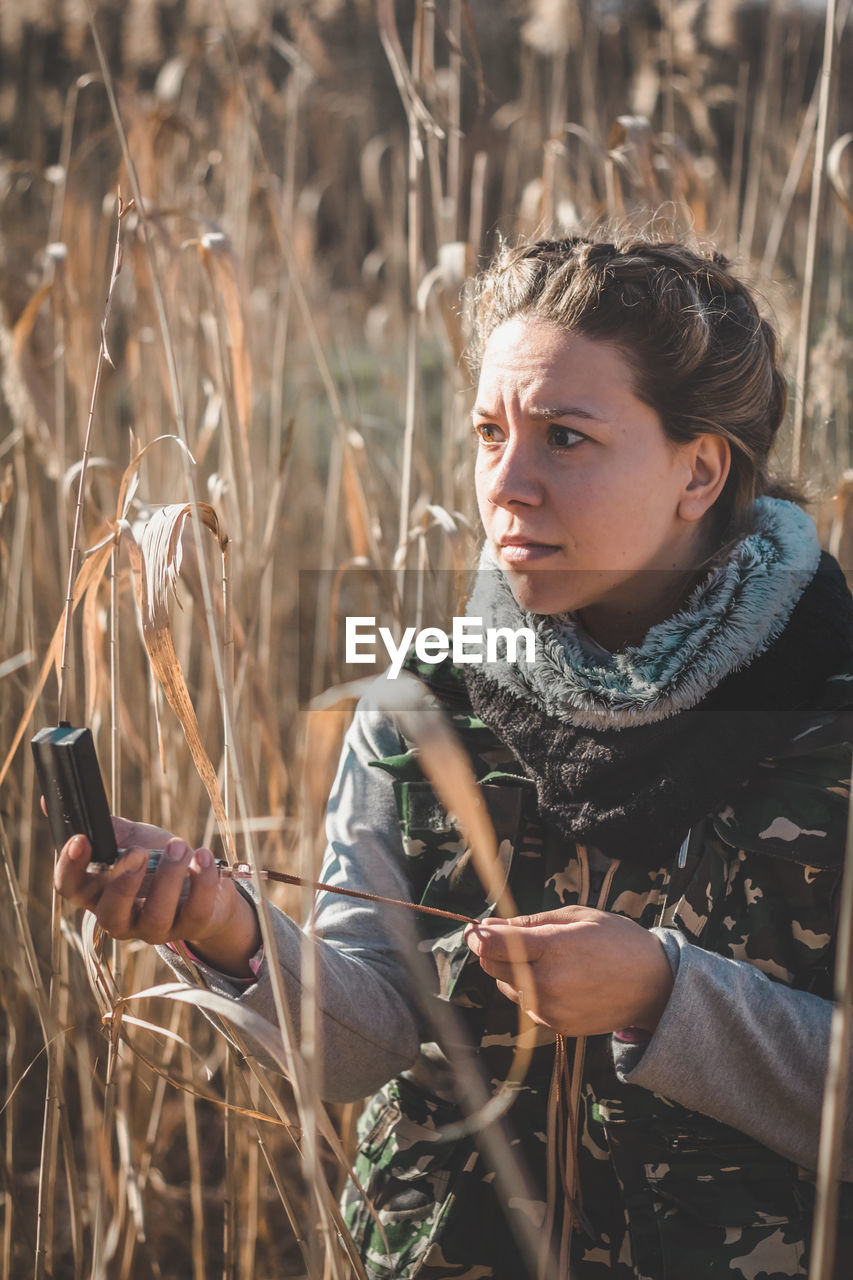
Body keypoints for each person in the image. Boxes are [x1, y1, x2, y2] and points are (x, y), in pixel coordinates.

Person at [54, 235, 853, 1279]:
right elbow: (362, 1038)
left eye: (564, 437)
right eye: (489, 433)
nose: (505, 485)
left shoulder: (829, 716)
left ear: (698, 468)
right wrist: (227, 927)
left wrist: (668, 994)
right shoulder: (421, 696)